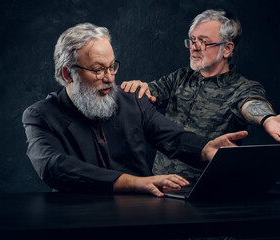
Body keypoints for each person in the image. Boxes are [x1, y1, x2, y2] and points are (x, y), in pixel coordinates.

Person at [22, 23, 248, 197]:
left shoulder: (132, 101)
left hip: (140, 218)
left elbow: (173, 138)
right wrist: (135, 183)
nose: (110, 79)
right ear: (68, 74)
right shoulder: (41, 115)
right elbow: (54, 167)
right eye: (98, 70)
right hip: (80, 221)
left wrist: (205, 148)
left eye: (112, 67)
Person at [121, 9, 280, 179]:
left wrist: (268, 119)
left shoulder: (242, 87)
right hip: (161, 185)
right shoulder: (180, 78)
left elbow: (251, 103)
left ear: (227, 49)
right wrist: (139, 88)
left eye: (204, 42)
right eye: (193, 40)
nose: (194, 47)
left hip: (207, 191)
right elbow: (149, 93)